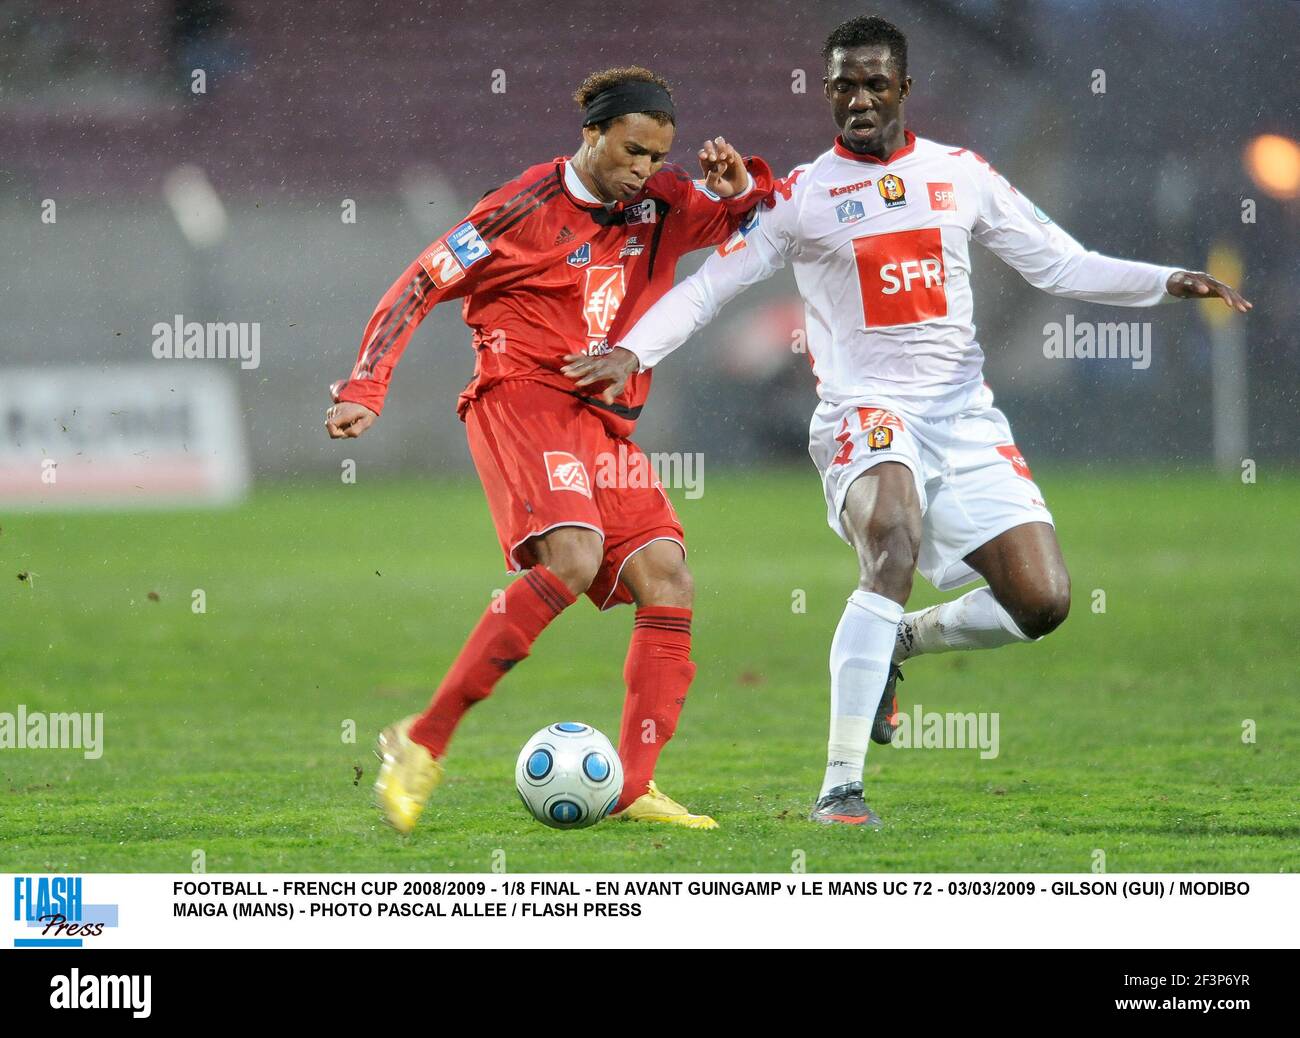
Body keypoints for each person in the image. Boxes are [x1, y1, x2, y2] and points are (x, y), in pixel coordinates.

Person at [562, 17, 1251, 827]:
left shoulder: (961, 175)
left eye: (874, 83)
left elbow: (1058, 260)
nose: (858, 99)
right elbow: (710, 288)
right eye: (842, 85)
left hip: (963, 417)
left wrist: (1166, 280)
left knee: (1042, 602)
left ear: (903, 89)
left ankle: (901, 640)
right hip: (864, 413)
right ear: (827, 93)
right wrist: (632, 352)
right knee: (893, 538)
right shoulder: (801, 196)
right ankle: (839, 789)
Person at [326, 66, 773, 834]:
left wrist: (736, 191)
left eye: (656, 156)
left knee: (667, 577)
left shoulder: (660, 201)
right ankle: (421, 742)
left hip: (602, 418)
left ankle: (634, 787)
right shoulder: (519, 208)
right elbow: (418, 284)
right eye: (632, 150)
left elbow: (745, 226)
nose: (644, 168)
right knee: (569, 556)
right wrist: (366, 386)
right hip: (521, 398)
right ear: (591, 133)